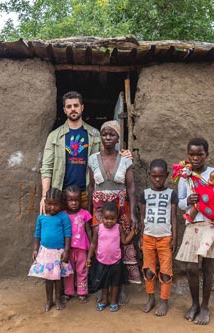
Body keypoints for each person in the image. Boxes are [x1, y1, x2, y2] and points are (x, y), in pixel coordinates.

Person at [175, 137, 214, 325]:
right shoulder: (184, 176)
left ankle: (205, 307)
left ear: (206, 155)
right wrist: (189, 202)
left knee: (208, 268)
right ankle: (194, 304)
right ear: (187, 155)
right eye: (191, 154)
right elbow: (180, 202)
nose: (195, 158)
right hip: (193, 226)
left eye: (199, 154)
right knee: (191, 268)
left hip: (212, 225)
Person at [40, 91, 132, 215]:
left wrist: (123, 154)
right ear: (64, 110)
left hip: (85, 195)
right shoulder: (54, 136)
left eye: (76, 105)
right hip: (60, 195)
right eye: (69, 106)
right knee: (61, 232)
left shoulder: (94, 135)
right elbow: (47, 168)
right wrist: (45, 196)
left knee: (84, 232)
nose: (73, 109)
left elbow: (108, 154)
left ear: (82, 107)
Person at [87, 120, 141, 286]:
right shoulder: (93, 159)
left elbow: (131, 188)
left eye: (112, 134)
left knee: (122, 244)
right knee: (103, 244)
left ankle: (121, 286)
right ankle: (102, 285)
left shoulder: (125, 161)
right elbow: (91, 187)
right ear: (101, 138)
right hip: (99, 211)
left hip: (121, 209)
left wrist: (132, 213)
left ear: (118, 138)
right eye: (105, 134)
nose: (108, 137)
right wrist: (89, 213)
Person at [139, 159, 178, 316]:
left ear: (167, 175)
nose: (157, 179)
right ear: (149, 175)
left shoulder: (171, 194)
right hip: (148, 237)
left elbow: (174, 217)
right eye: (154, 176)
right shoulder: (145, 194)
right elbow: (142, 217)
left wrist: (175, 238)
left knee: (166, 271)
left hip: (165, 238)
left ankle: (164, 301)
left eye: (161, 176)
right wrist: (141, 236)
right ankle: (150, 299)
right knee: (148, 269)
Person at [28, 188, 73, 312]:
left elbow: (68, 234)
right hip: (46, 253)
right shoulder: (41, 217)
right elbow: (37, 234)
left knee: (58, 279)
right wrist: (35, 249)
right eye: (49, 204)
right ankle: (49, 300)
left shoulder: (63, 217)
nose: (52, 207)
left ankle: (58, 299)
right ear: (45, 202)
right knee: (48, 279)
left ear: (61, 205)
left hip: (59, 253)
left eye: (56, 205)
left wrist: (67, 250)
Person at [86, 202, 136, 312]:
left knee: (115, 283)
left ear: (117, 218)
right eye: (106, 218)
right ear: (101, 217)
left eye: (112, 218)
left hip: (116, 262)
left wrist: (133, 232)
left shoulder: (118, 228)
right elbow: (93, 244)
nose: (109, 221)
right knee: (104, 283)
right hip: (101, 261)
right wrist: (89, 257)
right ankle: (104, 300)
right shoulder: (98, 229)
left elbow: (124, 241)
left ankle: (114, 301)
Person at [62, 185, 93, 304]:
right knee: (68, 271)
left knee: (82, 270)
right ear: (66, 201)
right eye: (71, 200)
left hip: (82, 248)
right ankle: (68, 292)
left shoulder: (84, 213)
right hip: (68, 249)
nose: (74, 203)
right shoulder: (63, 215)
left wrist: (91, 246)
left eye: (76, 200)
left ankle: (82, 291)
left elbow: (88, 230)